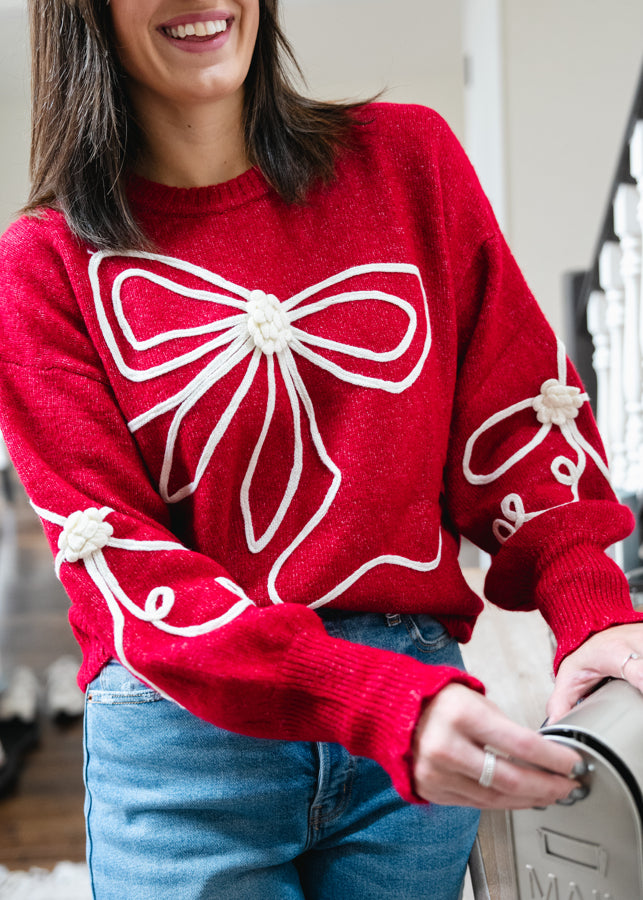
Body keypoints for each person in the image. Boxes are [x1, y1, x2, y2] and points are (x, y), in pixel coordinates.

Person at [1, 1, 642, 898]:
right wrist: (376, 703)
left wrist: (591, 606)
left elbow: (515, 412)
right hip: (191, 755)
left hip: (408, 747)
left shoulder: (407, 163)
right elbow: (126, 573)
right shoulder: (44, 265)